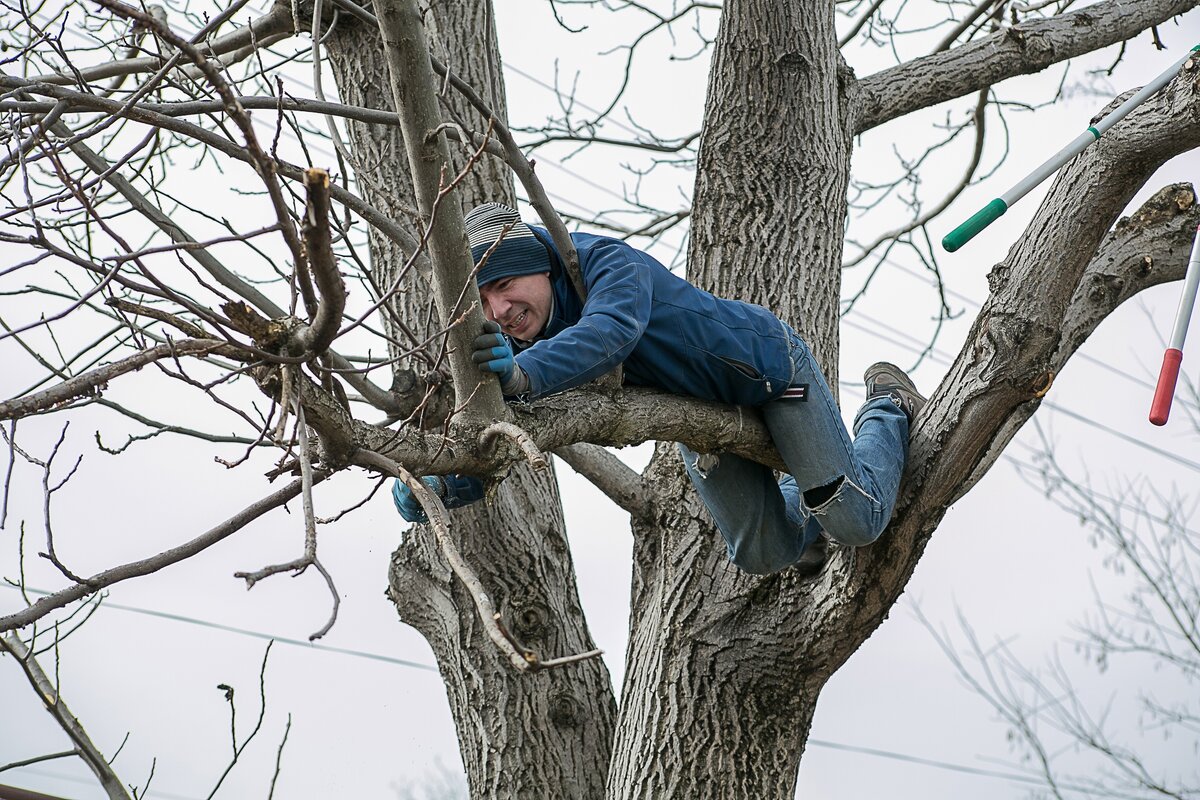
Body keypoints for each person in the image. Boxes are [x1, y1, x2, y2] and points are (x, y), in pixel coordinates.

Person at [391, 203, 926, 575]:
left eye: (504, 287)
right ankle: (810, 503)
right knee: (760, 553)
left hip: (773, 382)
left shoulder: (606, 265)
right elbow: (508, 435)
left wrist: (522, 378)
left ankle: (886, 406)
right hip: (703, 422)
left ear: (537, 268)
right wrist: (441, 482)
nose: (500, 312)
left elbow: (610, 332)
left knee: (856, 520)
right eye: (484, 304)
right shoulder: (527, 351)